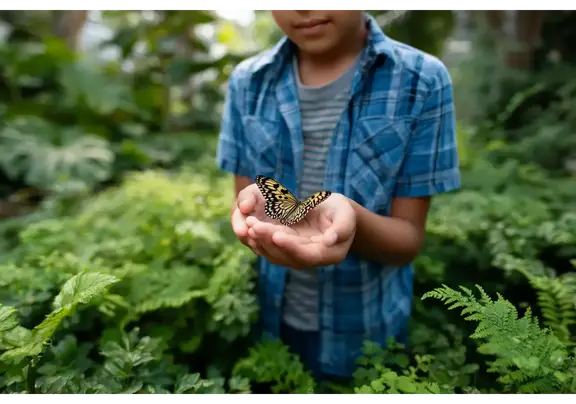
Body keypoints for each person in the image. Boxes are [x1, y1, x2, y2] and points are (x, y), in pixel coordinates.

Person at [216, 7, 461, 388]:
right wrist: (251, 218)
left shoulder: (421, 80)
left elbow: (408, 240)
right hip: (271, 327)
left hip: (368, 336)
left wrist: (353, 219)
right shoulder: (248, 82)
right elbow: (245, 201)